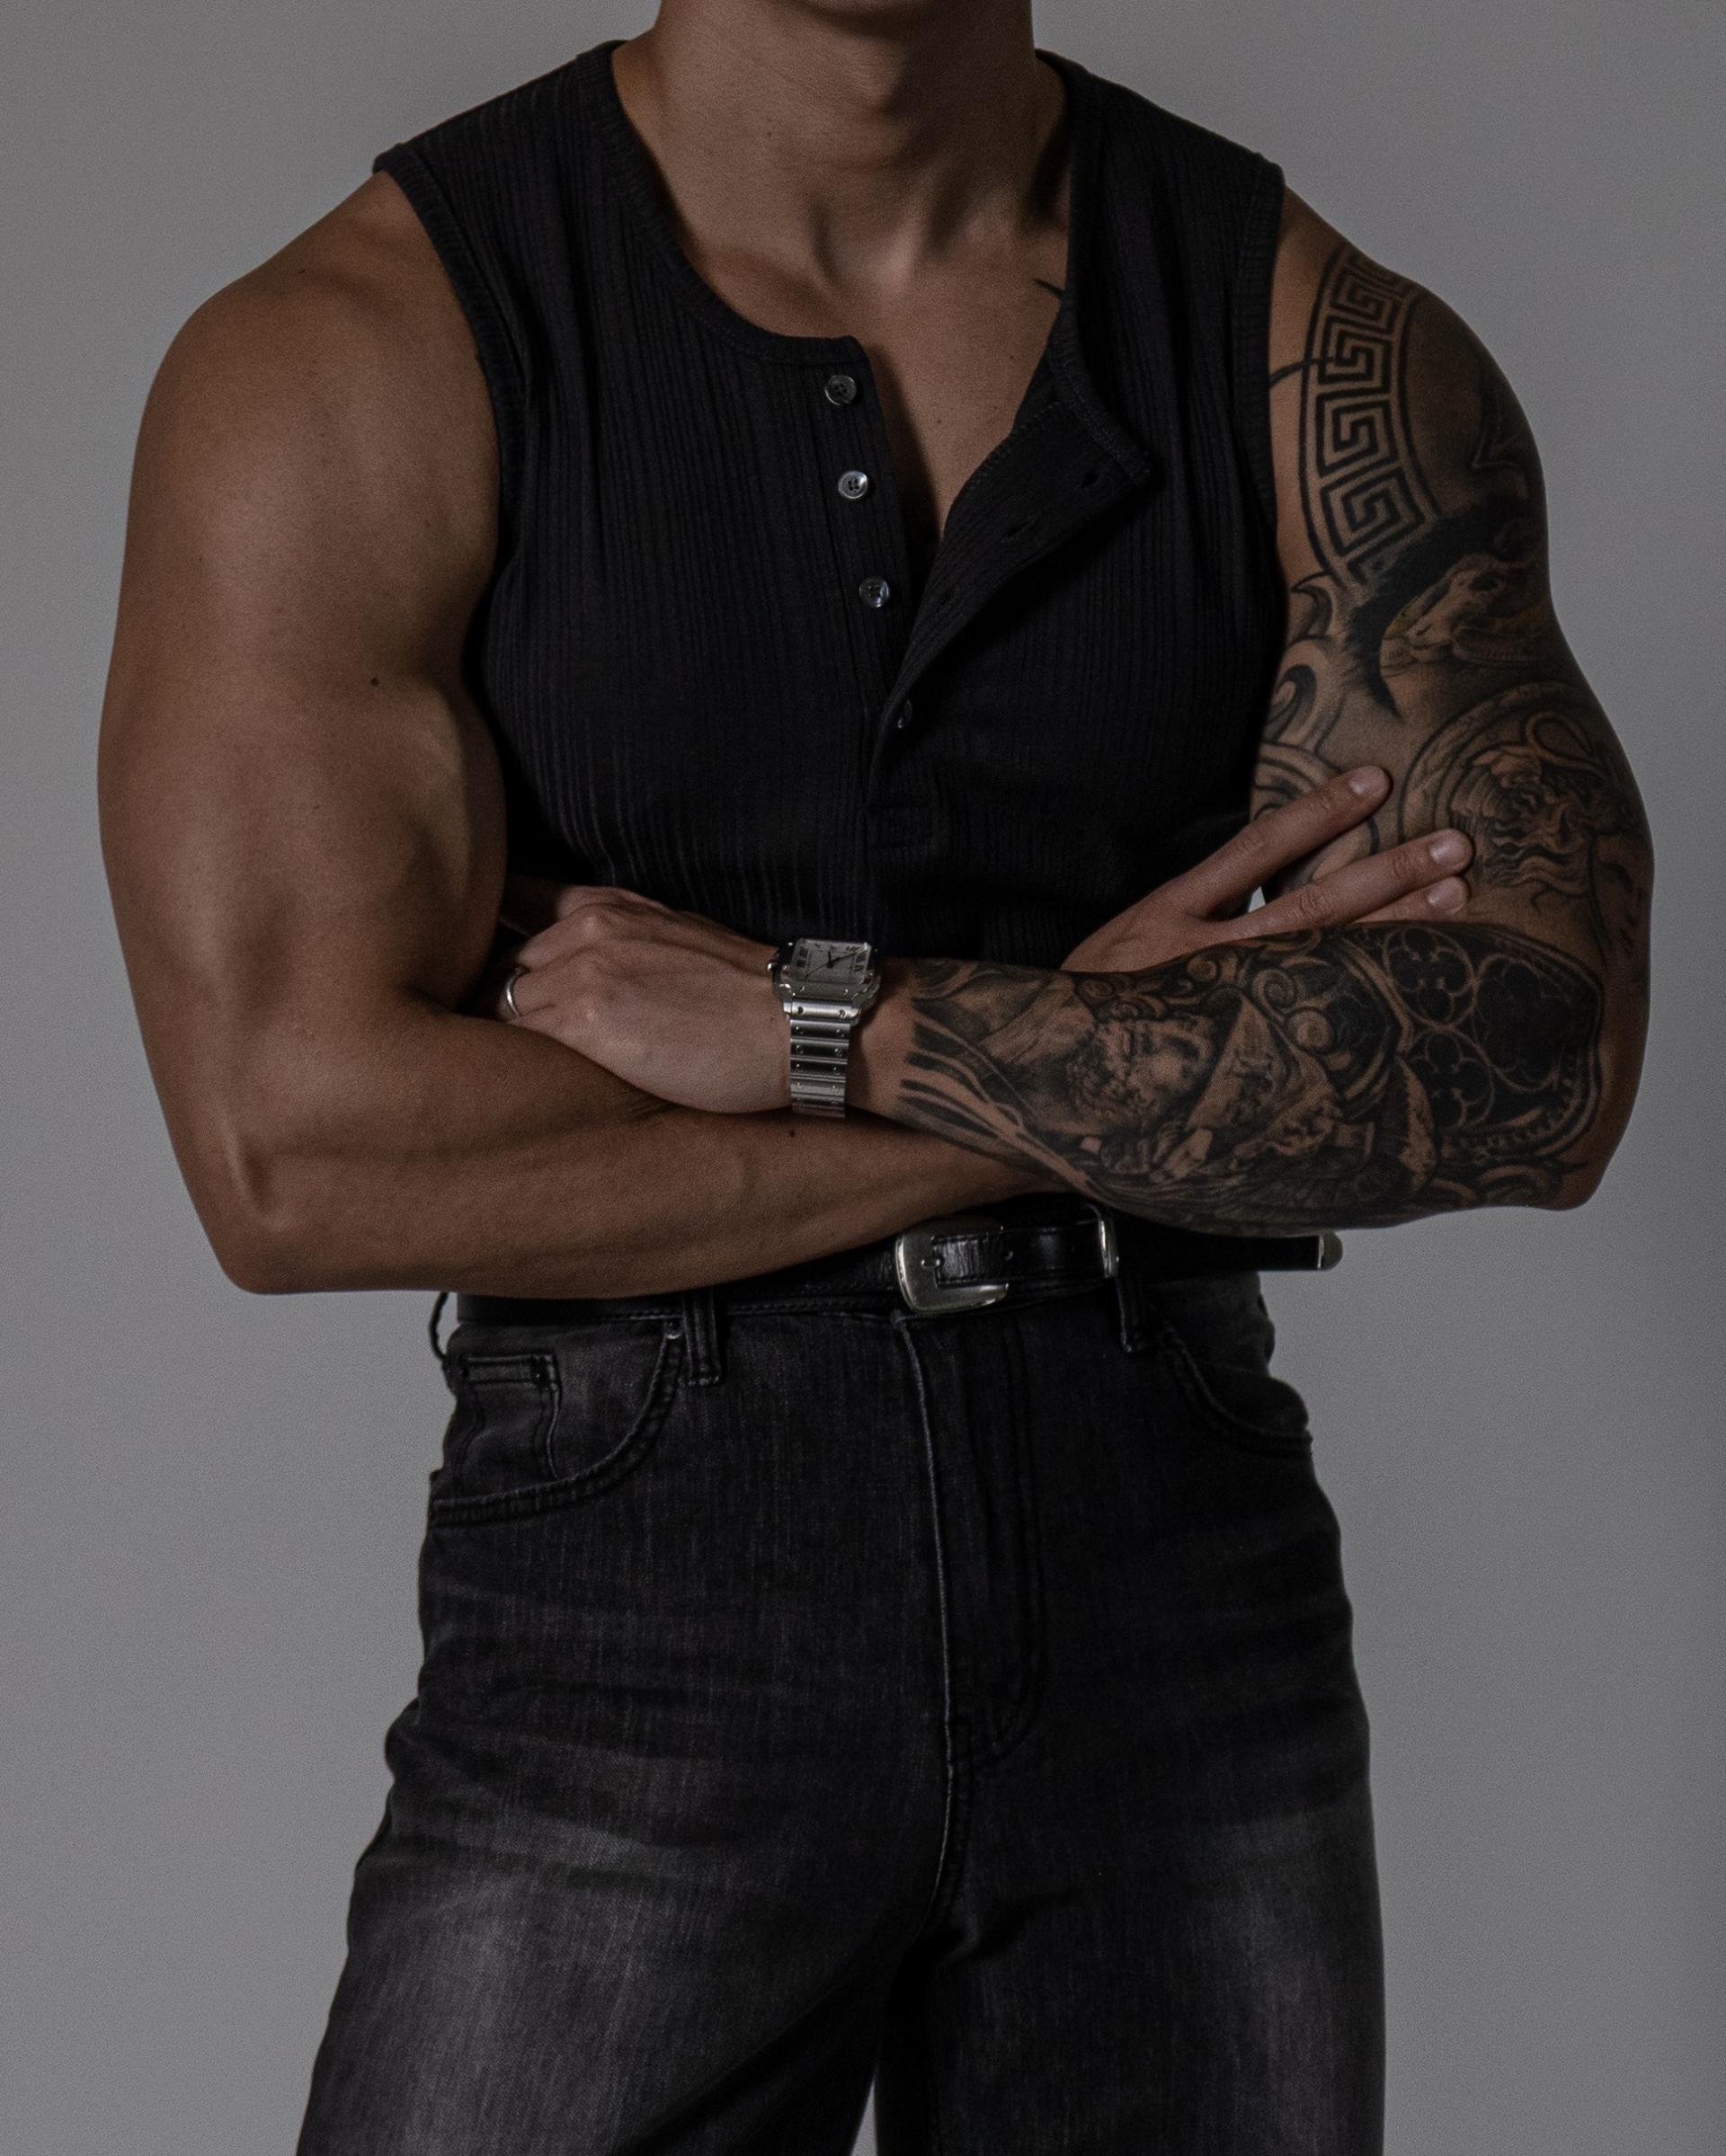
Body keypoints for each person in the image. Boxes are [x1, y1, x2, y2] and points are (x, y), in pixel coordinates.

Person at [97, 1, 1651, 2149]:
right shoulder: (358, 352)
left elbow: (1538, 1063)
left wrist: (842, 1025)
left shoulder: (1312, 345)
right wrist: (1072, 1064)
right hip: (645, 1558)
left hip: (1172, 1564)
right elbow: (299, 1158)